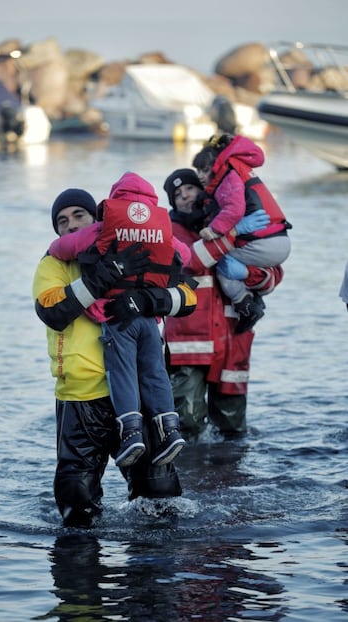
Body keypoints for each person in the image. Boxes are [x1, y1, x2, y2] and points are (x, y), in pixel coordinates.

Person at [32, 187, 197, 528]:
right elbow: (52, 311)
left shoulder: (136, 251)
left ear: (97, 220)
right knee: (76, 503)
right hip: (82, 397)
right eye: (62, 221)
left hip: (137, 394)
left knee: (160, 498)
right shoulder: (52, 263)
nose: (71, 225)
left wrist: (148, 301)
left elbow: (188, 297)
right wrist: (102, 278)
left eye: (79, 216)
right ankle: (79, 573)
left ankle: (153, 576)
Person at [162, 168, 285, 439]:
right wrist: (231, 234)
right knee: (187, 424)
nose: (185, 197)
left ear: (204, 190)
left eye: (190, 189)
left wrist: (249, 274)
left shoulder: (233, 221)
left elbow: (273, 276)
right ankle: (187, 477)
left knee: (233, 428)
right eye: (177, 195)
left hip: (232, 340)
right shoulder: (169, 232)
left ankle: (232, 477)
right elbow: (192, 262)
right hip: (187, 346)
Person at [192, 133, 292, 333]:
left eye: (204, 170)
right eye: (197, 171)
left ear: (216, 164)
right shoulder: (240, 170)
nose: (201, 176)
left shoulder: (228, 176)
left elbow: (234, 209)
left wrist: (216, 230)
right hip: (277, 240)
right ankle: (253, 301)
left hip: (263, 242)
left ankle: (246, 305)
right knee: (230, 264)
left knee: (221, 263)